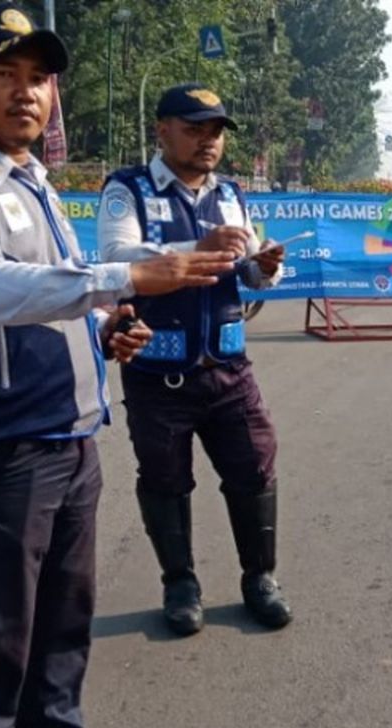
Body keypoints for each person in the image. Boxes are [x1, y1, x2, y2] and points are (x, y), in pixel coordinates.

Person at [0, 5, 236, 728]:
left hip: (71, 444)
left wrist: (106, 327)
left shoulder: (37, 185)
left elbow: (57, 298)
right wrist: (122, 279)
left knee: (60, 632)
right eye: (3, 75)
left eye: (38, 79)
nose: (27, 94)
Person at [98, 84, 292, 637]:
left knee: (255, 467)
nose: (209, 141)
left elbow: (249, 275)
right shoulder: (127, 189)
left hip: (230, 369)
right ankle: (179, 583)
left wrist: (264, 267)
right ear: (163, 131)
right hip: (159, 372)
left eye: (216, 132)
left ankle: (260, 579)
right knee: (165, 479)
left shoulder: (231, 193)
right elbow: (114, 259)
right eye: (195, 129)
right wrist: (196, 247)